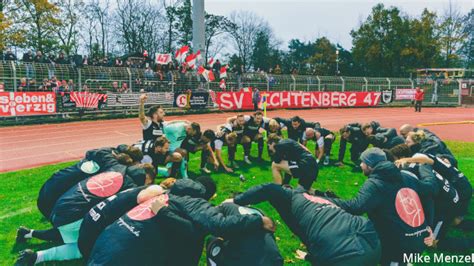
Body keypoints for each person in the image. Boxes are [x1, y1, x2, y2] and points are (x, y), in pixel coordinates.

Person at [88, 176, 275, 265]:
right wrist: (258, 221)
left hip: (101, 248)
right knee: (196, 232)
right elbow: (221, 226)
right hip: (125, 257)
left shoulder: (169, 193)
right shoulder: (195, 203)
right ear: (209, 196)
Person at [15, 149, 156, 265]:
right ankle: (36, 257)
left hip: (60, 206)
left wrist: (117, 149)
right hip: (70, 216)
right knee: (86, 245)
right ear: (146, 177)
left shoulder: (116, 166)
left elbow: (97, 152)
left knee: (73, 230)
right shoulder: (132, 189)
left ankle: (29, 233)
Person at [227, 183, 381, 265]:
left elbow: (268, 188)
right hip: (373, 242)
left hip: (343, 253)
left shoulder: (291, 196)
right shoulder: (321, 201)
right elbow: (350, 210)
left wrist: (235, 201)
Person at [330, 148, 435, 265]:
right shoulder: (406, 176)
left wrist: (323, 199)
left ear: (370, 166)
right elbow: (429, 189)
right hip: (418, 238)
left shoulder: (375, 183)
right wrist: (425, 167)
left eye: (363, 162)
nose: (360, 165)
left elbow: (356, 207)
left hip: (399, 246)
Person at [206, 203, 283, 266]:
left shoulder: (226, 207)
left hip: (250, 261)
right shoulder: (258, 212)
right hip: (275, 260)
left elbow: (214, 222)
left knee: (212, 241)